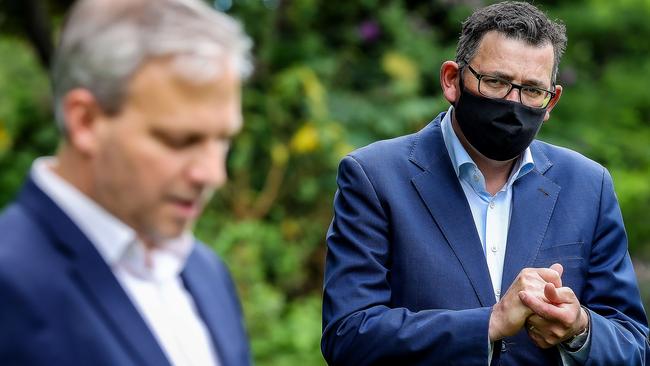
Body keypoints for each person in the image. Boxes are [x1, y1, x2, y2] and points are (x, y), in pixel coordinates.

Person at [321, 2, 649, 365]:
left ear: (552, 100)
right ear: (452, 80)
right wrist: (489, 323)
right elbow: (348, 335)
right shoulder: (373, 176)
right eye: (495, 82)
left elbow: (634, 344)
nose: (513, 103)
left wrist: (580, 329)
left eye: (532, 90)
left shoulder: (589, 185)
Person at [0, 0, 252, 365]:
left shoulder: (206, 272)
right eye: (180, 141)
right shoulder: (10, 282)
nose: (213, 173)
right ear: (85, 121)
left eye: (223, 140)